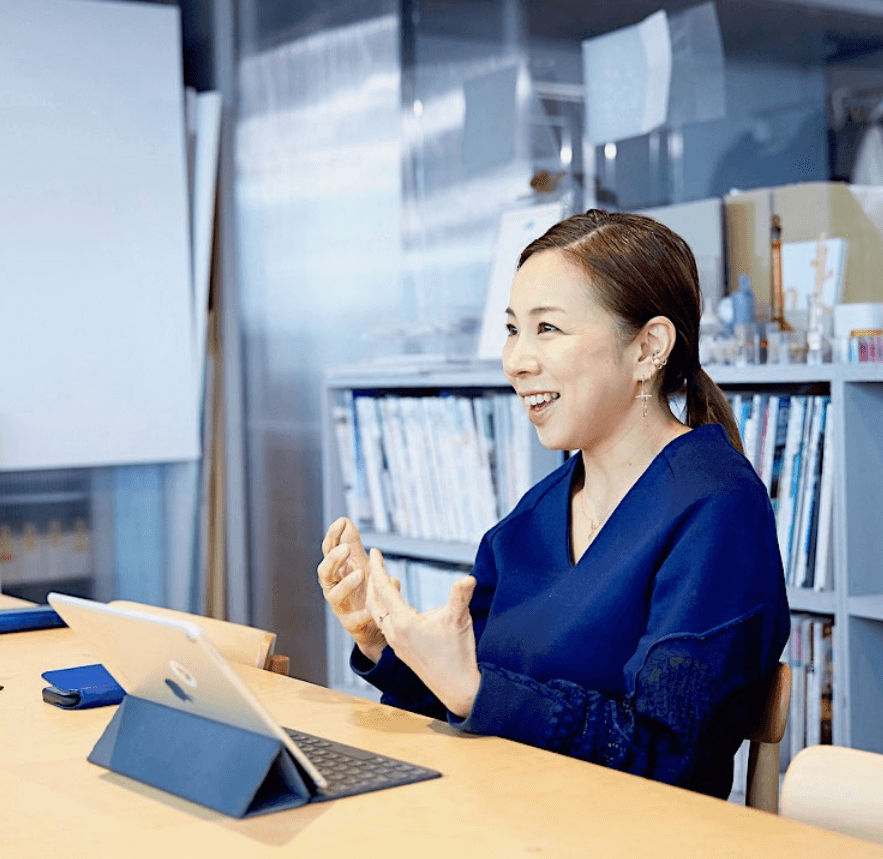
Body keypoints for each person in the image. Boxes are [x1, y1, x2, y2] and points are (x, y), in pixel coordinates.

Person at [317, 210, 790, 799]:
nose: (517, 360)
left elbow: (671, 759)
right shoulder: (533, 517)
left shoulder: (719, 508)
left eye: (547, 329)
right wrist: (383, 642)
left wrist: (475, 692)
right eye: (513, 329)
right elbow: (469, 705)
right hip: (506, 813)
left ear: (648, 348)